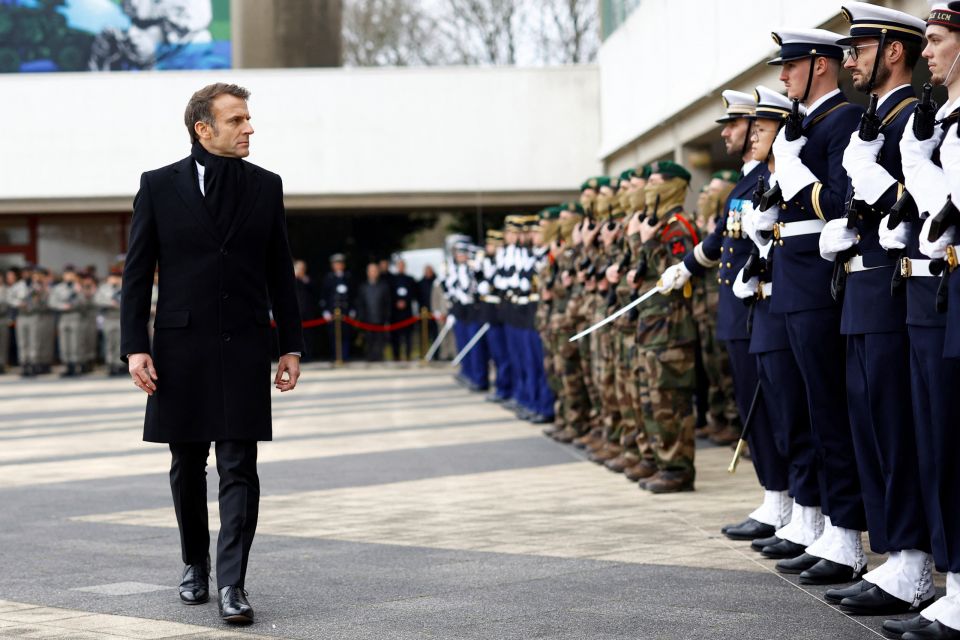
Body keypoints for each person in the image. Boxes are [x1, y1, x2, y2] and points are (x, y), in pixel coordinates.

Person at [121, 82, 303, 625]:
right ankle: (194, 565)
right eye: (239, 119)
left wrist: (290, 344)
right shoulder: (158, 186)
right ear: (205, 128)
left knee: (239, 467)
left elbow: (280, 272)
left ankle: (233, 585)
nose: (250, 127)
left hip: (245, 345)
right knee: (185, 465)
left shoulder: (266, 187)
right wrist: (135, 347)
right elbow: (136, 273)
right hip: (180, 348)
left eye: (249, 119)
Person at [818, 3, 935, 618]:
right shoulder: (873, 119)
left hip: (893, 285)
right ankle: (895, 555)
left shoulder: (912, 116)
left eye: (859, 49)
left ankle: (914, 564)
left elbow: (914, 203)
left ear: (894, 51)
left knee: (895, 427)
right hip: (862, 288)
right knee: (869, 426)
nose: (848, 60)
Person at [752, 28, 867, 585]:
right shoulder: (809, 125)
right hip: (796, 283)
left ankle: (846, 535)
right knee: (814, 412)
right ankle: (825, 525)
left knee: (829, 412)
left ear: (820, 65)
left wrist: (794, 173)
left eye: (790, 66)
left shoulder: (841, 120)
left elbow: (842, 201)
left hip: (820, 283)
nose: (782, 77)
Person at [319, 253, 352, 362]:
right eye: (336, 264)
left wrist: (352, 309)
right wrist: (325, 311)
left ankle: (345, 357)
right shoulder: (328, 278)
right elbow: (323, 295)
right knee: (333, 336)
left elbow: (353, 295)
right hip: (332, 312)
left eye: (340, 263)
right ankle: (335, 357)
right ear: (333, 266)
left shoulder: (348, 277)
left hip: (345, 312)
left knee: (346, 335)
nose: (338, 266)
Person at [355, 262, 390, 362]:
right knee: (369, 340)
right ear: (368, 273)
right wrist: (361, 317)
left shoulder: (384, 286)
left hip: (380, 319)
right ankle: (369, 358)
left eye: (375, 271)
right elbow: (360, 304)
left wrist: (386, 318)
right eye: (371, 271)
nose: (373, 273)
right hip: (367, 319)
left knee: (380, 340)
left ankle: (379, 357)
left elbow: (387, 303)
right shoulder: (363, 287)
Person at [95, 266, 125, 376]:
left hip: (120, 318)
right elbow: (97, 300)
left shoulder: (124, 286)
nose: (114, 279)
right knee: (109, 342)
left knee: (119, 342)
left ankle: (120, 365)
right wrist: (110, 303)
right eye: (112, 277)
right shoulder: (104, 288)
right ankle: (110, 364)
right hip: (108, 318)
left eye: (117, 277)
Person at [389, 258, 417, 360]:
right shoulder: (392, 279)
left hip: (407, 312)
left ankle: (408, 355)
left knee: (408, 336)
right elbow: (389, 294)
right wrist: (397, 302)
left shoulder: (410, 279)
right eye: (399, 265)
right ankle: (396, 356)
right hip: (395, 313)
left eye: (402, 265)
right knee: (395, 336)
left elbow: (414, 294)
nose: (401, 267)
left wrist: (406, 301)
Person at [293, 259, 318, 362]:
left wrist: (304, 280)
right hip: (294, 313)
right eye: (299, 268)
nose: (301, 270)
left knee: (308, 336)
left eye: (303, 268)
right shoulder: (290, 280)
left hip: (307, 313)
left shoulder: (308, 280)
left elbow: (314, 293)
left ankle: (308, 356)